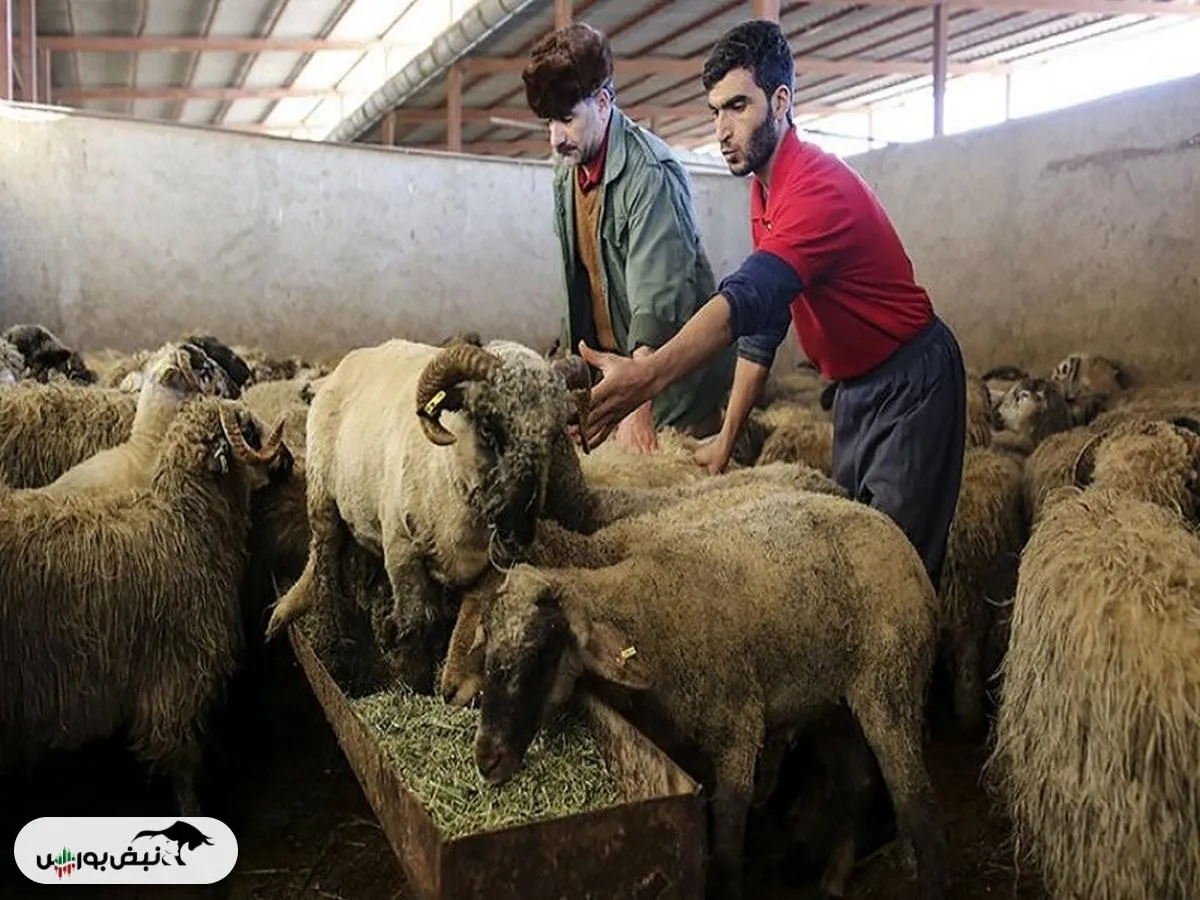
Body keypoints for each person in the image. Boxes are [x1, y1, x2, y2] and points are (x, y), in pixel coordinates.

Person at [575, 18, 966, 590]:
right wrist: (726, 442)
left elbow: (748, 296)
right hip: (854, 391)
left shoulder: (815, 188)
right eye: (715, 111)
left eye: (738, 106)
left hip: (910, 383)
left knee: (893, 576)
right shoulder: (764, 191)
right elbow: (764, 328)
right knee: (856, 560)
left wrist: (649, 376)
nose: (722, 130)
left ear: (780, 102)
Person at [522, 22, 735, 452]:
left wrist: (638, 406)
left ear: (603, 103)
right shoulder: (568, 172)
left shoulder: (650, 173)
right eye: (550, 122)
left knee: (669, 479)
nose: (556, 138)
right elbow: (581, 281)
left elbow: (659, 299)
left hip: (671, 387)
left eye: (567, 119)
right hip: (618, 377)